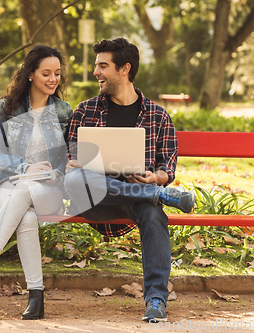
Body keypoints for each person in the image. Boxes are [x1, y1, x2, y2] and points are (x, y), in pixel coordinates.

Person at [64, 38, 194, 322]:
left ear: (124, 69)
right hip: (97, 199)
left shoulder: (158, 116)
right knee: (74, 180)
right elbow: (70, 161)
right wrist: (72, 162)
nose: (96, 72)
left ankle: (156, 300)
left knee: (153, 215)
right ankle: (157, 196)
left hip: (137, 199)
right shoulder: (85, 111)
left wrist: (155, 177)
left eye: (102, 66)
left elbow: (166, 168)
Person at [0, 45, 73, 320]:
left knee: (27, 192)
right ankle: (36, 298)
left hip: (46, 189)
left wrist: (57, 173)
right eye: (46, 73)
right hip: (6, 184)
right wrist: (25, 166)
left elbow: (69, 156)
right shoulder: (8, 107)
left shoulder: (63, 111)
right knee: (25, 218)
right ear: (30, 74)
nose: (53, 79)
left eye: (57, 74)